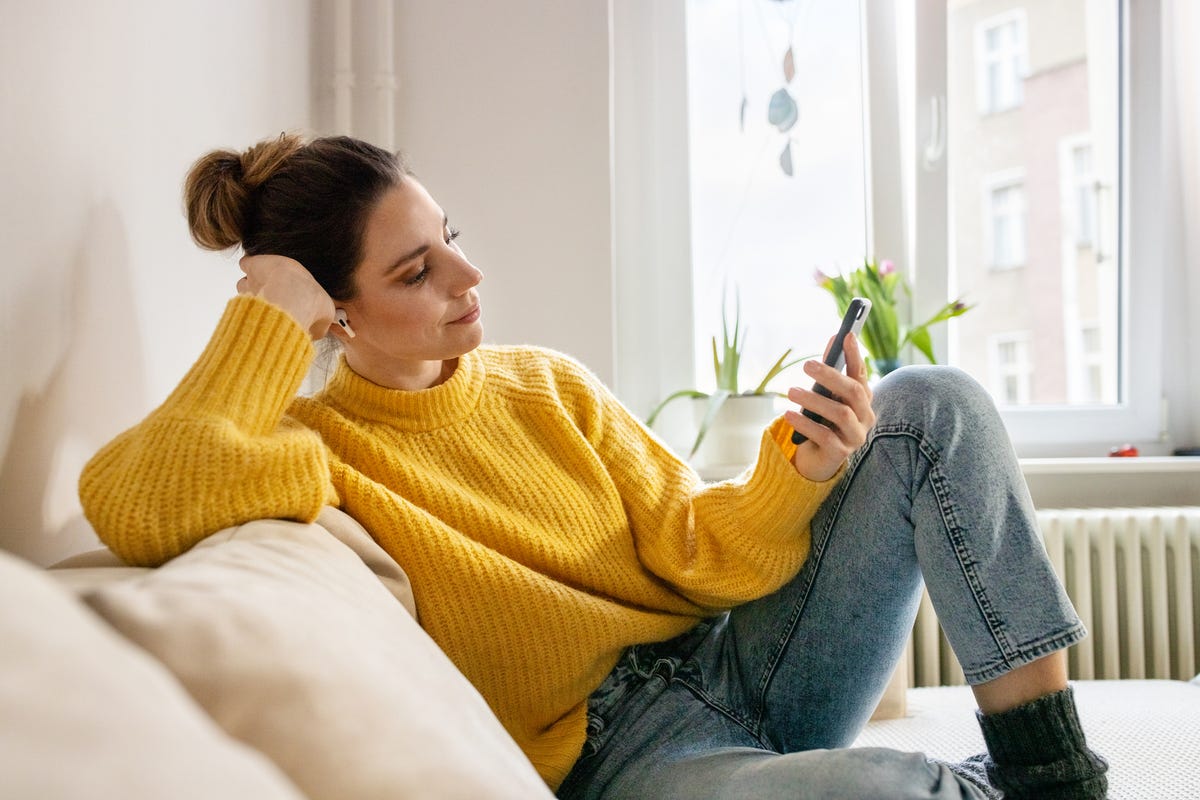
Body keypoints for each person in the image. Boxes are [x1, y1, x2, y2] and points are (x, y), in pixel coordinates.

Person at [79, 133, 1108, 799]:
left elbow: (699, 545)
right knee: (884, 789)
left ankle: (1052, 776)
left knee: (937, 404)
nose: (469, 275)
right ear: (333, 313)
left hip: (733, 657)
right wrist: (263, 316)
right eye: (416, 269)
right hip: (628, 762)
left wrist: (800, 470)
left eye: (451, 237)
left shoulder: (543, 384)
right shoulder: (314, 451)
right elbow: (134, 498)